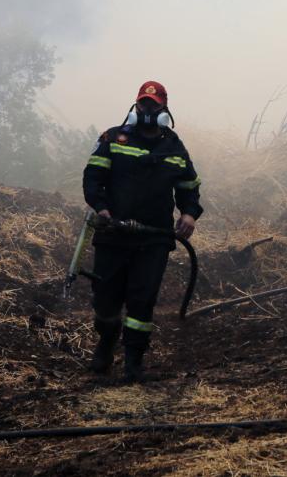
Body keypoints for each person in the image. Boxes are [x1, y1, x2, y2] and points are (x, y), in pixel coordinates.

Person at [82, 81, 203, 382]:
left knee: (142, 300)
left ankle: (133, 362)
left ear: (164, 110)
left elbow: (189, 186)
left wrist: (189, 213)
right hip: (113, 234)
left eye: (154, 105)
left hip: (154, 239)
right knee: (106, 300)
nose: (148, 110)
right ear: (135, 108)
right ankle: (107, 341)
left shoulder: (174, 147)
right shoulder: (113, 138)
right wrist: (102, 209)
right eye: (143, 105)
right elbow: (93, 178)